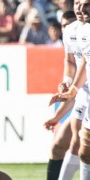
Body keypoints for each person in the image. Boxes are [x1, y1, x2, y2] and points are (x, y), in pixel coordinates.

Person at [50, 0, 90, 179]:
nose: (80, 9)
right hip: (85, 92)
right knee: (80, 146)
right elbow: (81, 62)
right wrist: (71, 86)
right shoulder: (78, 31)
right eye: (77, 3)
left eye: (86, 4)